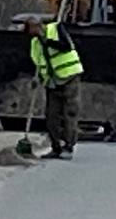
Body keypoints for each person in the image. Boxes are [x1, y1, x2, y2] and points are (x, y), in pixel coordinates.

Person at [26, 16, 85, 159]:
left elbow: (67, 46)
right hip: (51, 82)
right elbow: (40, 64)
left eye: (35, 30)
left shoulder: (56, 29)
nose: (35, 34)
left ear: (40, 26)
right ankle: (55, 147)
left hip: (69, 76)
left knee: (69, 112)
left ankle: (68, 146)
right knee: (51, 115)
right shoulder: (35, 44)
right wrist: (37, 79)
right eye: (31, 32)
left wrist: (49, 42)